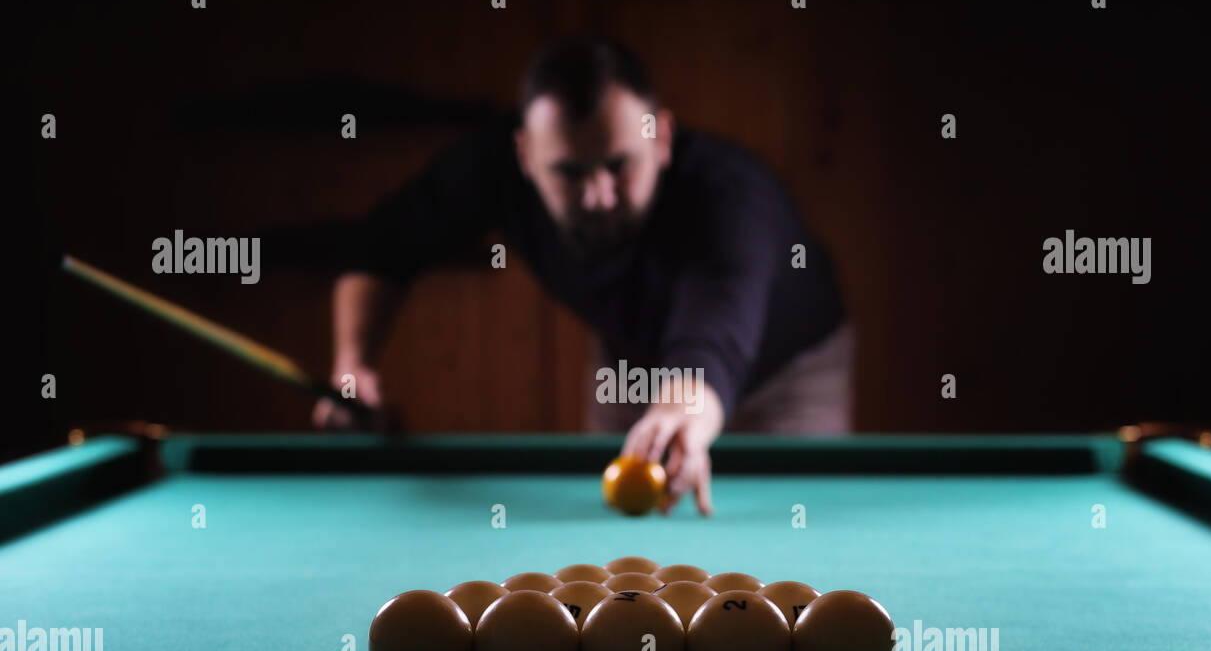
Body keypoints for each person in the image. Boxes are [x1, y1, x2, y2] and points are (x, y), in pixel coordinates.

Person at [314, 34, 852, 514]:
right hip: (630, 357)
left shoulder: (732, 194)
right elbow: (383, 242)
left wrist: (682, 405)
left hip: (786, 370)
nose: (598, 196)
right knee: (619, 533)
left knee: (787, 527)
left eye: (619, 165)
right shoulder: (492, 167)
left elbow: (718, 321)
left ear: (661, 138)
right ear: (525, 154)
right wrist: (352, 363)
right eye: (570, 173)